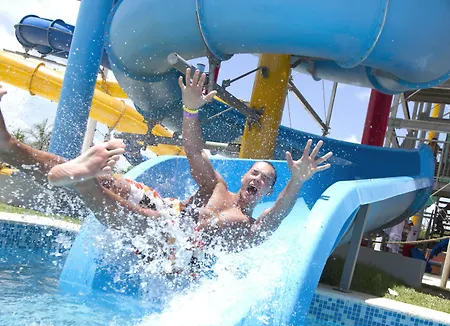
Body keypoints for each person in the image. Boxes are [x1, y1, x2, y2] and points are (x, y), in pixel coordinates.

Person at [0, 69, 332, 274]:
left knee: (150, 220)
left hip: (182, 255)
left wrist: (296, 181)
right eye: (255, 173)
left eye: (266, 179)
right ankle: (10, 147)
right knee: (111, 182)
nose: (258, 178)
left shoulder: (252, 228)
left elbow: (280, 213)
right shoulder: (217, 187)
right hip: (170, 213)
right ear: (243, 177)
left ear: (268, 192)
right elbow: (193, 150)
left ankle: (83, 182)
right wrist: (190, 109)